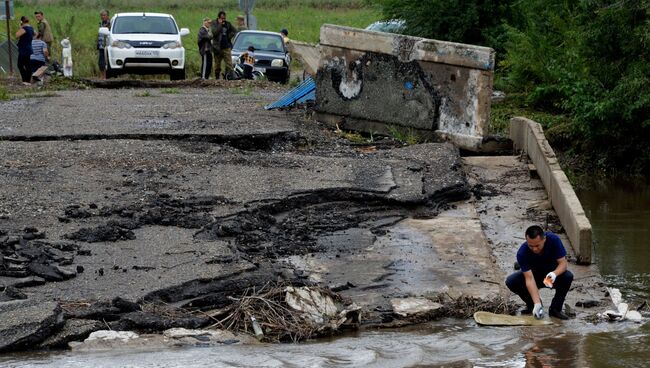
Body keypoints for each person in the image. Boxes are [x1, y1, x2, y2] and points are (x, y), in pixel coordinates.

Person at [505, 225, 573, 320]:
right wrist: (536, 303)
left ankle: (555, 309)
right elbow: (529, 278)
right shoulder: (522, 253)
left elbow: (563, 264)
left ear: (544, 239)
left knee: (568, 276)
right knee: (511, 281)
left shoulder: (554, 240)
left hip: (550, 277)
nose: (534, 249)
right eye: (531, 246)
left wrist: (554, 273)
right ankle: (533, 305)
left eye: (537, 245)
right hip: (535, 276)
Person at [210, 10, 236, 79]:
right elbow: (214, 32)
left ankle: (232, 76)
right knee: (217, 65)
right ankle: (217, 77)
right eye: (222, 18)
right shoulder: (214, 23)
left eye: (224, 18)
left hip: (226, 47)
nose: (223, 20)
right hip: (217, 48)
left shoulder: (228, 24)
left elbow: (234, 30)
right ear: (218, 18)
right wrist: (220, 25)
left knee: (229, 63)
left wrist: (229, 36)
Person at [16, 16, 34, 85]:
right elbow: (35, 34)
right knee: (27, 65)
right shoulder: (31, 28)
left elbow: (17, 35)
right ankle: (28, 80)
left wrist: (20, 27)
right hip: (29, 48)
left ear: (22, 21)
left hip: (23, 49)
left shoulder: (24, 28)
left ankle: (25, 80)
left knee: (20, 65)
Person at [97, 9, 111, 79]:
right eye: (102, 15)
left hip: (106, 45)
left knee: (105, 61)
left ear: (108, 16)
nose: (103, 16)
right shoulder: (101, 23)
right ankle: (101, 76)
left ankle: (104, 77)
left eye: (104, 15)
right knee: (100, 61)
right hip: (101, 44)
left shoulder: (110, 23)